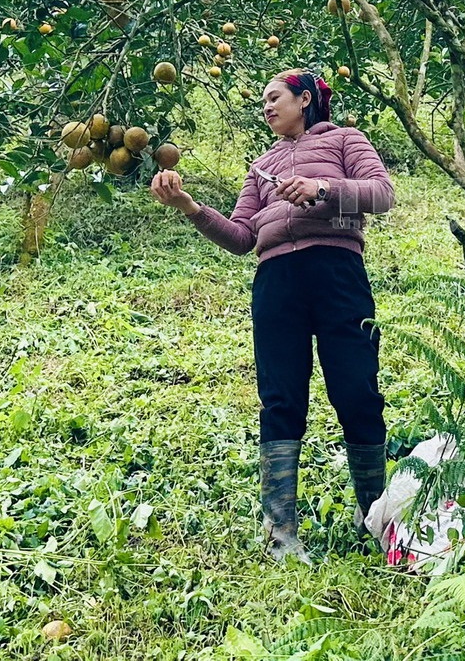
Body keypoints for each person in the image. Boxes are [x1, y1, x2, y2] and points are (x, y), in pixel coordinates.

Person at [149, 68, 394, 561]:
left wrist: (321, 189)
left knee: (358, 391)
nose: (266, 106)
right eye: (263, 100)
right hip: (276, 281)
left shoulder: (346, 140)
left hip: (337, 272)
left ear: (304, 100)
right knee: (280, 398)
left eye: (274, 97)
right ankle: (280, 534)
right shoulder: (261, 166)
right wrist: (191, 207)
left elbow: (381, 193)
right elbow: (241, 238)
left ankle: (377, 520)